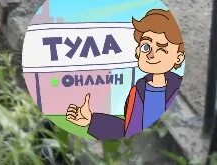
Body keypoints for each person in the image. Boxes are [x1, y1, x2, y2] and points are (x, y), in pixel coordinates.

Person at [66, 8, 185, 139]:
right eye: (146, 46)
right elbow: (128, 129)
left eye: (162, 49)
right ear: (138, 51)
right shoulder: (137, 90)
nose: (151, 55)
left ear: (178, 58)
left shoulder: (174, 86)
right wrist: (90, 121)